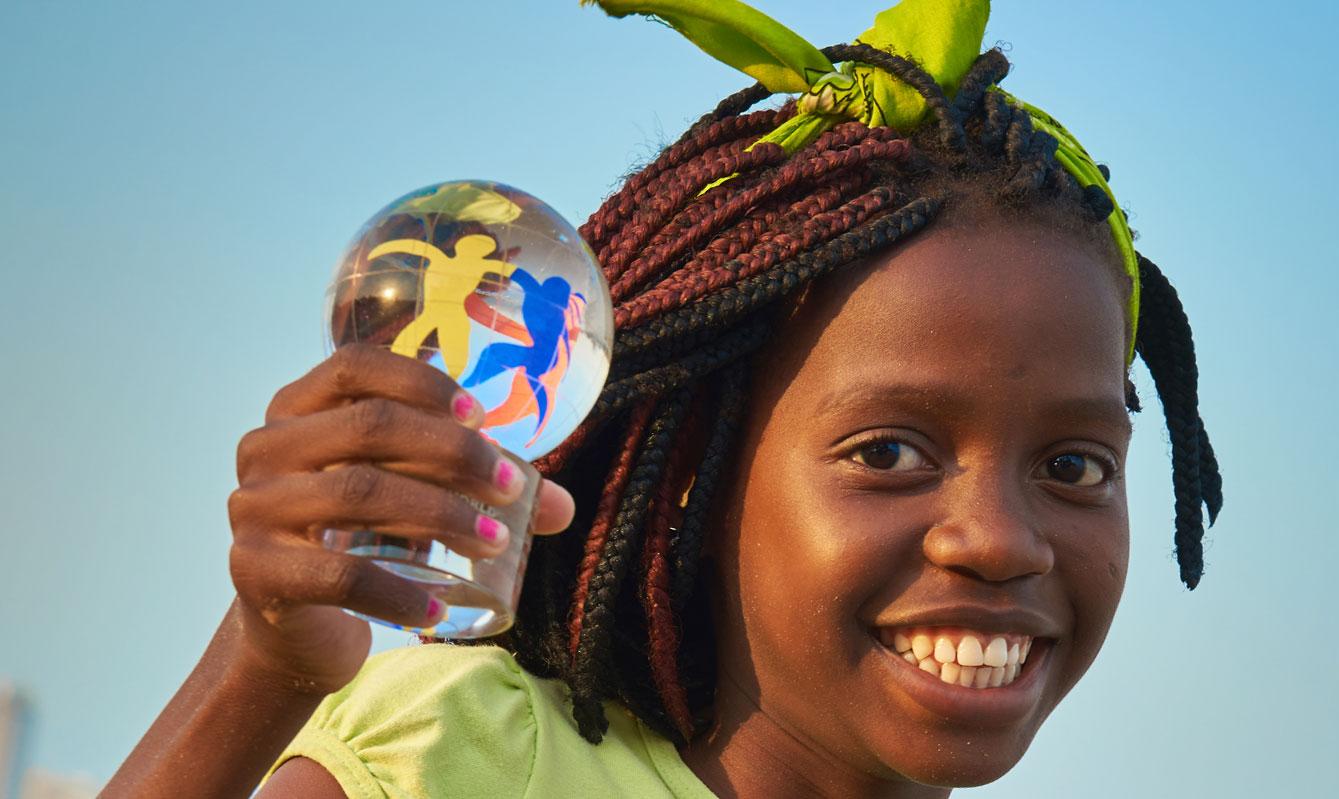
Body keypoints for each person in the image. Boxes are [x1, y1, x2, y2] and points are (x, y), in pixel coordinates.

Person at [106, 0, 1223, 796]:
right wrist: (260, 673)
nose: (995, 539)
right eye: (889, 452)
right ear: (698, 465)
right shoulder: (467, 758)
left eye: (1075, 466)